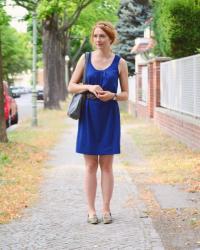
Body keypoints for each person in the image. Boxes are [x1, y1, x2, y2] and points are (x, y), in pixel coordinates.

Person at [68, 21, 128, 224]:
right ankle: (91, 211)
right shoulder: (85, 59)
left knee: (108, 165)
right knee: (90, 165)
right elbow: (71, 86)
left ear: (110, 38)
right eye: (95, 36)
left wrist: (113, 95)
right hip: (89, 114)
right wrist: (89, 87)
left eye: (102, 36)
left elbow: (126, 94)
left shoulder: (120, 62)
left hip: (109, 114)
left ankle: (106, 210)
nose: (98, 40)